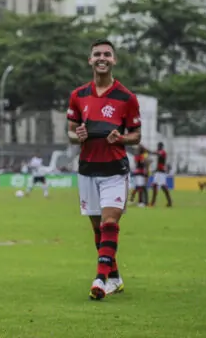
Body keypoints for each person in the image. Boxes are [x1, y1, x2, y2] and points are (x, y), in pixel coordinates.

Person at [67, 39, 141, 300]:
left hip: (114, 170)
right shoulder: (78, 95)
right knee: (99, 231)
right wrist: (78, 135)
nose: (102, 58)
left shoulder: (127, 98)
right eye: (97, 54)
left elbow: (136, 135)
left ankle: (100, 280)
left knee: (110, 224)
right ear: (90, 60)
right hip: (87, 169)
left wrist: (121, 138)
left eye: (107, 54)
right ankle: (115, 278)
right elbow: (70, 132)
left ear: (114, 60)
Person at [150, 142, 173, 207]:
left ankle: (169, 202)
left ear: (161, 147)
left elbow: (158, 153)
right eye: (158, 146)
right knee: (155, 186)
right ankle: (153, 203)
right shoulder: (160, 152)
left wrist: (150, 151)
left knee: (163, 187)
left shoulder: (163, 152)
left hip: (161, 172)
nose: (158, 147)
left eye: (159, 146)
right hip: (158, 172)